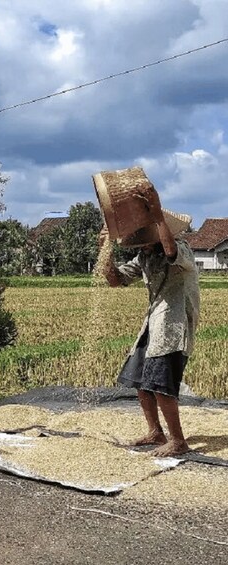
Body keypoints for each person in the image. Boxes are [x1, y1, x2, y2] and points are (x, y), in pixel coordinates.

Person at [100, 187, 199, 457]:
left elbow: (169, 250)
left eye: (147, 235)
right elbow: (115, 281)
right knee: (141, 381)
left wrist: (156, 213)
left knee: (160, 384)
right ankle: (155, 431)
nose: (143, 242)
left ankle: (178, 441)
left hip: (173, 324)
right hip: (153, 323)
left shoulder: (183, 249)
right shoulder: (144, 257)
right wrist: (105, 250)